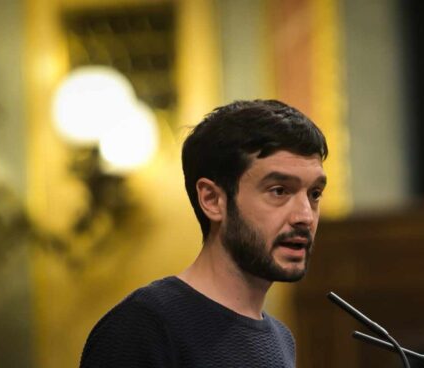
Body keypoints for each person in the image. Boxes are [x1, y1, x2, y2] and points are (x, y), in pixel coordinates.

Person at [80, 99, 328, 367]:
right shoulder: (143, 327)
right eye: (279, 191)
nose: (305, 216)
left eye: (314, 194)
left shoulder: (281, 339)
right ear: (212, 200)